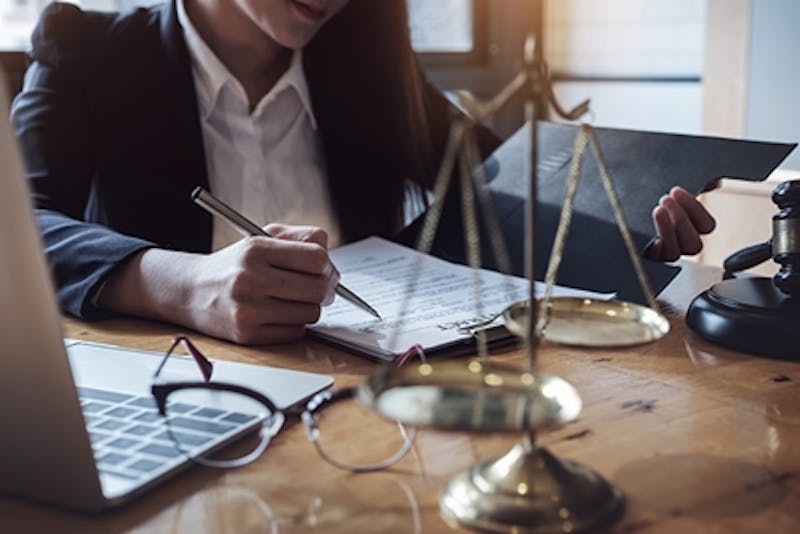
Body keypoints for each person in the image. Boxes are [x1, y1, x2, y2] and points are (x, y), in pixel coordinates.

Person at [11, 0, 715, 346]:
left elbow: (502, 191)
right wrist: (183, 285)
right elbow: (18, 228)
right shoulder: (88, 53)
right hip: (188, 409)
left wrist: (626, 230)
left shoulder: (367, 65)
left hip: (367, 417)